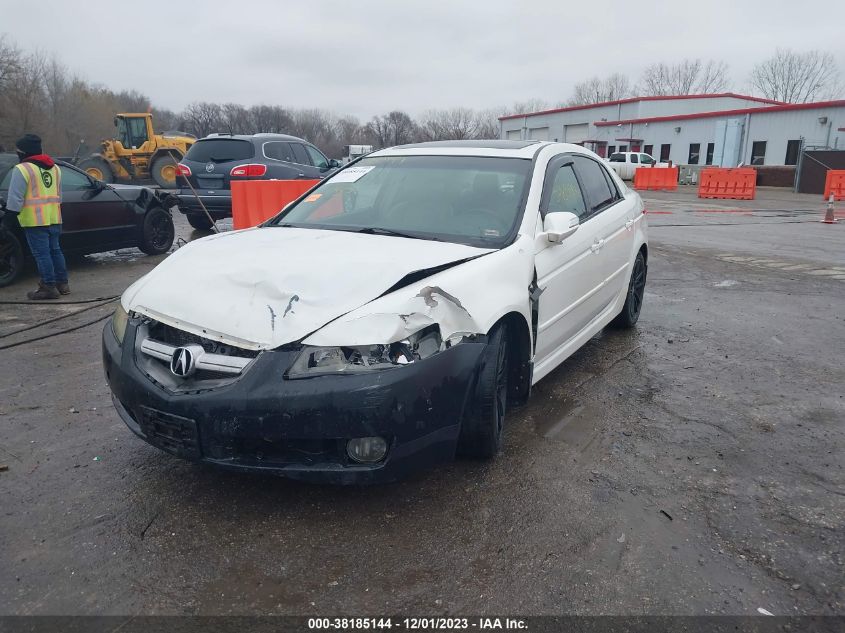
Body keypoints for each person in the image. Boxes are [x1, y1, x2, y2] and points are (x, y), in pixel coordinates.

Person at [4, 133, 68, 300]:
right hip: (54, 218)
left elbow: (15, 198)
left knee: (42, 254)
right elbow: (59, 196)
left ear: (23, 152)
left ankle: (48, 286)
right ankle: (62, 284)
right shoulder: (55, 168)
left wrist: (6, 223)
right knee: (55, 250)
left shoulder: (22, 169)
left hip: (34, 221)